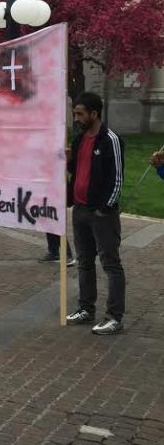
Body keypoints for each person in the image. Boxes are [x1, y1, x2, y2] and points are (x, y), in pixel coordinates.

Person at [66, 92, 126, 335]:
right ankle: (86, 308)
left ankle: (114, 317)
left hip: (101, 214)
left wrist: (105, 208)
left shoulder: (110, 140)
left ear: (94, 113)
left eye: (80, 114)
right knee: (84, 262)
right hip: (80, 209)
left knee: (110, 263)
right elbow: (75, 170)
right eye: (75, 114)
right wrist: (67, 159)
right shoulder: (79, 139)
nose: (76, 118)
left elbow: (117, 178)